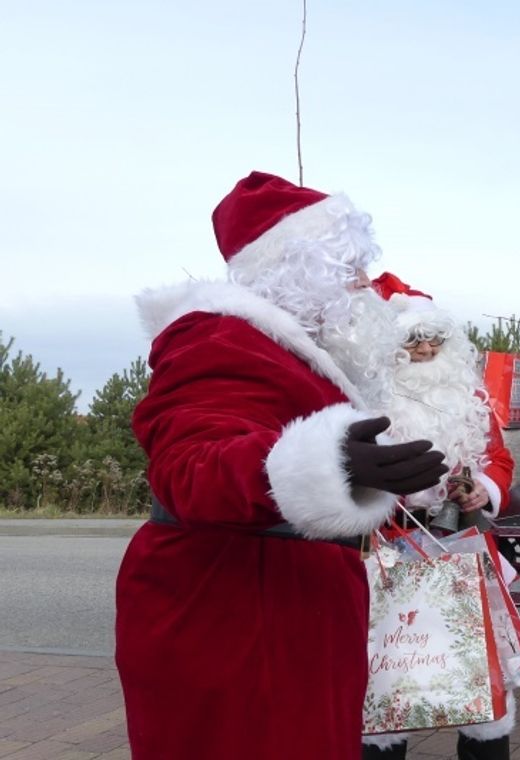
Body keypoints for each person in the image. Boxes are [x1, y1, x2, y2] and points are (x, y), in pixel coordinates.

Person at [116, 171, 449, 760]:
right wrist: (325, 463)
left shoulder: (292, 352)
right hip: (238, 619)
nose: (363, 286)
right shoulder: (217, 338)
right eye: (348, 270)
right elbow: (191, 464)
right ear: (302, 271)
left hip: (286, 611)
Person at [362, 272, 516, 760]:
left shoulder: (472, 402)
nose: (426, 350)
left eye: (434, 339)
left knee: (478, 676)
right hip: (389, 549)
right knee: (388, 678)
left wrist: (482, 489)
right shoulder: (369, 401)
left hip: (463, 547)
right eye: (413, 340)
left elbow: (500, 461)